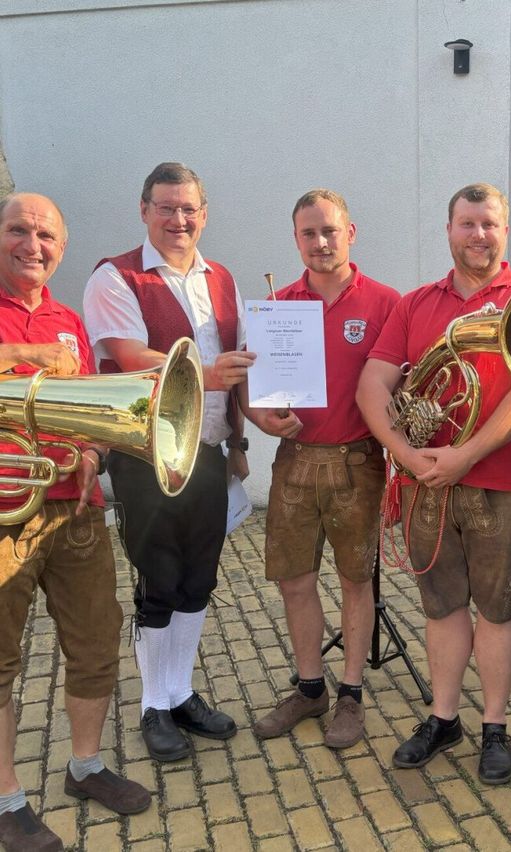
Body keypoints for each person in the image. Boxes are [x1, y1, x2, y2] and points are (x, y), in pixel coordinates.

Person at [355, 182, 511, 785]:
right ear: (448, 230)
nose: (479, 235)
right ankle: (444, 719)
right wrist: (405, 457)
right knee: (441, 609)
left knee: (498, 610)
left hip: (502, 482)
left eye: (489, 224)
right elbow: (372, 386)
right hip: (426, 483)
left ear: (505, 229)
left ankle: (494, 725)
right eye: (467, 224)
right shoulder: (415, 305)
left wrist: (467, 452)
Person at [83, 163, 257, 763]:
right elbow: (126, 356)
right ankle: (152, 706)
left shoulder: (223, 278)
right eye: (166, 208)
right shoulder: (115, 276)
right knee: (158, 581)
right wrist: (206, 376)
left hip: (207, 452)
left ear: (204, 213)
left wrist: (242, 436)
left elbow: (236, 368)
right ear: (144, 210)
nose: (178, 220)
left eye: (189, 209)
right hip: (147, 455)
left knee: (198, 580)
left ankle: (179, 691)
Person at [0, 193, 150, 852]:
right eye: (18, 230)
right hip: (4, 515)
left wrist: (93, 449)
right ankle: (6, 800)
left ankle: (84, 766)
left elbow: (92, 408)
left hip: (75, 512)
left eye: (46, 234)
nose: (33, 244)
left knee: (95, 644)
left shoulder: (67, 319)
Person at [250, 189, 399, 749]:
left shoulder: (387, 303)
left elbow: (400, 385)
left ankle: (352, 695)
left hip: (357, 462)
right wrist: (263, 418)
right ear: (295, 239)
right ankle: (310, 687)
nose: (320, 242)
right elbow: (253, 393)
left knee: (357, 582)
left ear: (350, 232)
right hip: (294, 461)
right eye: (308, 233)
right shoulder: (277, 305)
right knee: (294, 581)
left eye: (329, 231)